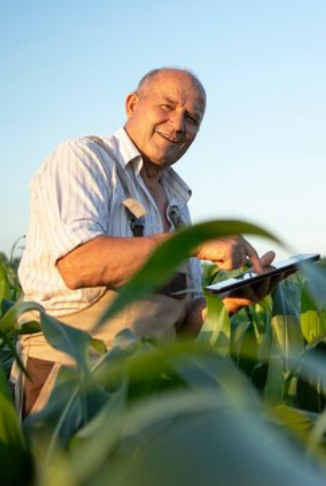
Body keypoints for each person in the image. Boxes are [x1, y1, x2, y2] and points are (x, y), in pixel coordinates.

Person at [14, 67, 275, 416]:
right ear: (132, 104)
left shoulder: (178, 201)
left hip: (146, 387)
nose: (179, 124)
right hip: (71, 379)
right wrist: (190, 244)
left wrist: (227, 302)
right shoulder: (84, 159)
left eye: (192, 118)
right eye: (167, 106)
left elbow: (180, 328)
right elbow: (79, 264)